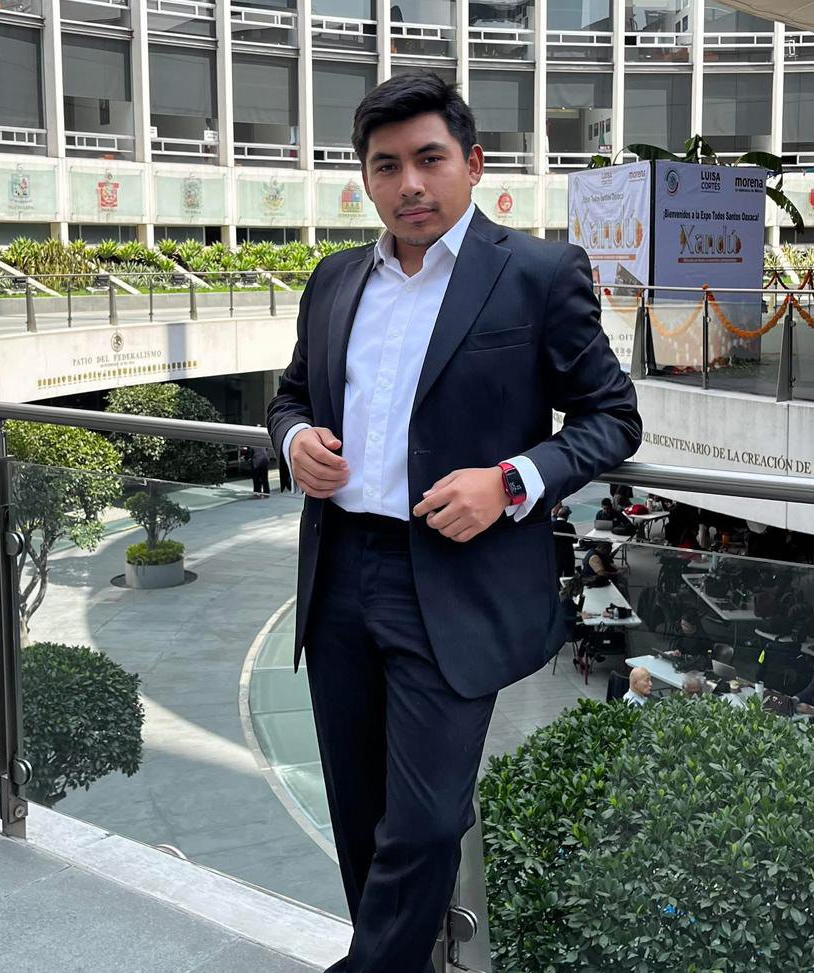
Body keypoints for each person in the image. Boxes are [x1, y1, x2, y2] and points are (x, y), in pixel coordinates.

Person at [265, 72, 642, 973]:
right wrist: (295, 440)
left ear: (473, 164)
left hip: (451, 579)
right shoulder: (335, 278)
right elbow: (288, 397)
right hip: (340, 574)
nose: (410, 184)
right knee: (359, 811)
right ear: (366, 178)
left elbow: (612, 417)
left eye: (429, 159)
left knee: (427, 820)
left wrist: (511, 482)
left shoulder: (538, 273)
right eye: (386, 165)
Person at [550, 504, 578, 579]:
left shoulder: (551, 525)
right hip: (568, 554)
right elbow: (575, 540)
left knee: (557, 575)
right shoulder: (569, 526)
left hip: (556, 554)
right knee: (569, 575)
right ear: (567, 516)